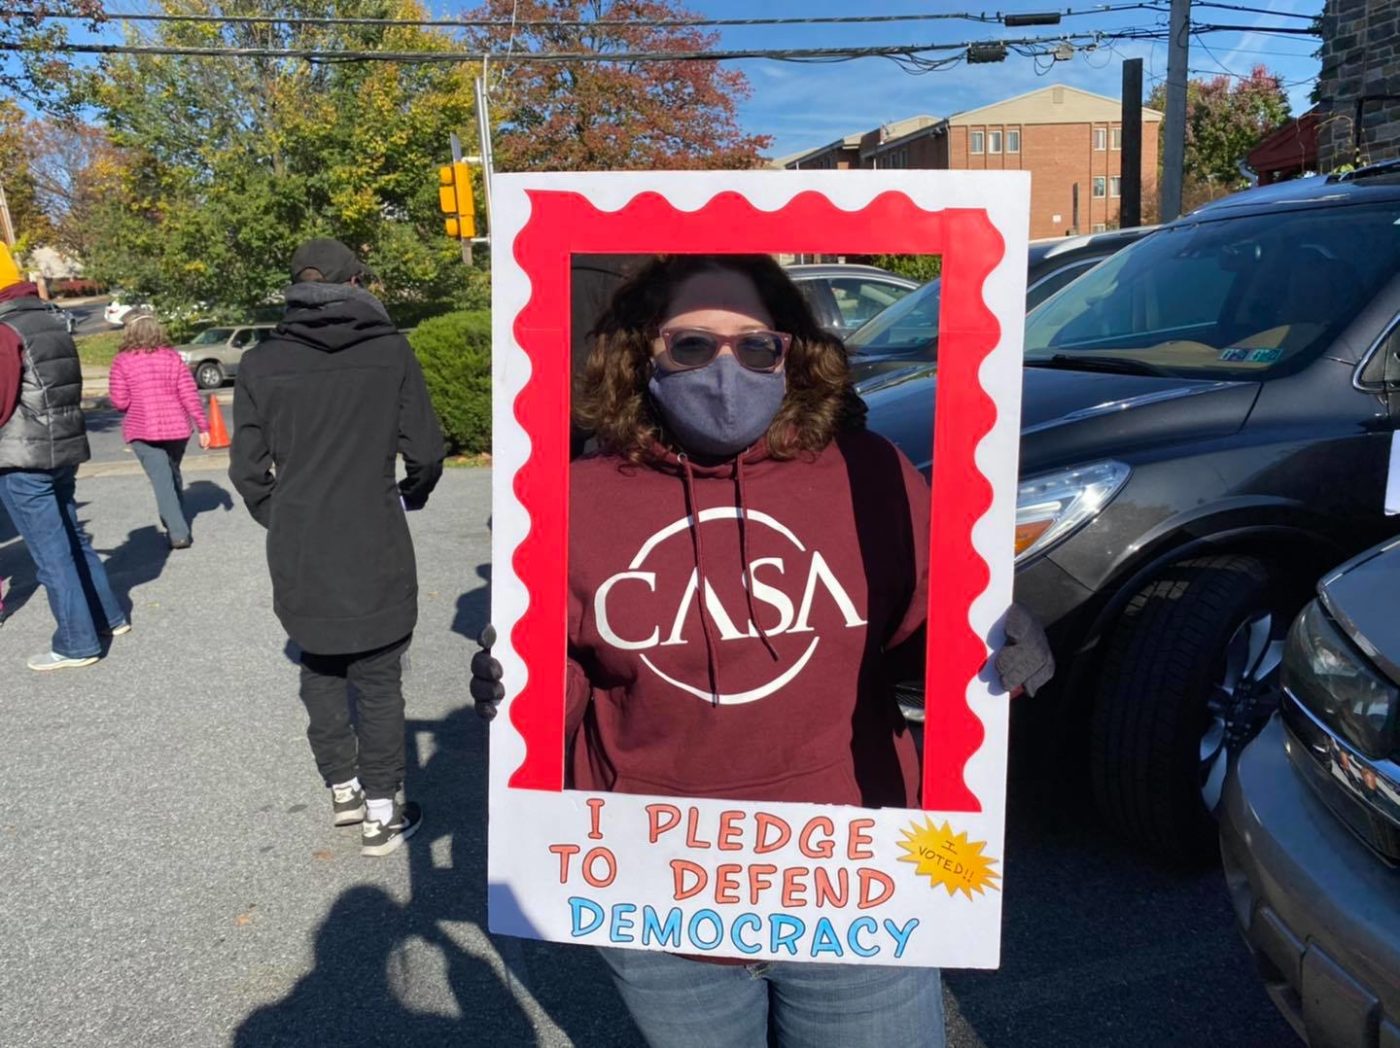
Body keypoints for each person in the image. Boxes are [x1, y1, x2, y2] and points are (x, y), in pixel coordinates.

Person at [471, 255, 1053, 1047]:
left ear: (792, 355)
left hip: (852, 872)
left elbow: (921, 630)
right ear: (641, 353)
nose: (723, 371)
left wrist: (994, 638)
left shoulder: (867, 474)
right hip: (657, 892)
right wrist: (516, 688)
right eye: (690, 346)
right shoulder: (567, 502)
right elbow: (561, 695)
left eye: (755, 349)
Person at [229, 238, 446, 857]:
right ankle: (384, 810)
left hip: (301, 543)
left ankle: (345, 791)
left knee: (320, 667)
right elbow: (426, 452)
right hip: (373, 533)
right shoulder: (389, 350)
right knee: (378, 679)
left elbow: (247, 471)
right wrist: (411, 495)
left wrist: (283, 515)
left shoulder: (261, 362)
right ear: (357, 284)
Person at [0, 242, 129, 671]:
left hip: (22, 457)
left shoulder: (4, 329)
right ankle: (107, 617)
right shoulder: (48, 318)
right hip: (62, 448)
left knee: (50, 554)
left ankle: (76, 643)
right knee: (73, 538)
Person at [108, 314, 210, 549]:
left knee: (162, 480)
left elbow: (120, 402)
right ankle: (174, 518)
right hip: (177, 428)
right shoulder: (172, 357)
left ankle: (178, 532)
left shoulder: (122, 361)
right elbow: (189, 393)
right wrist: (203, 426)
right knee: (171, 473)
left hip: (142, 429)